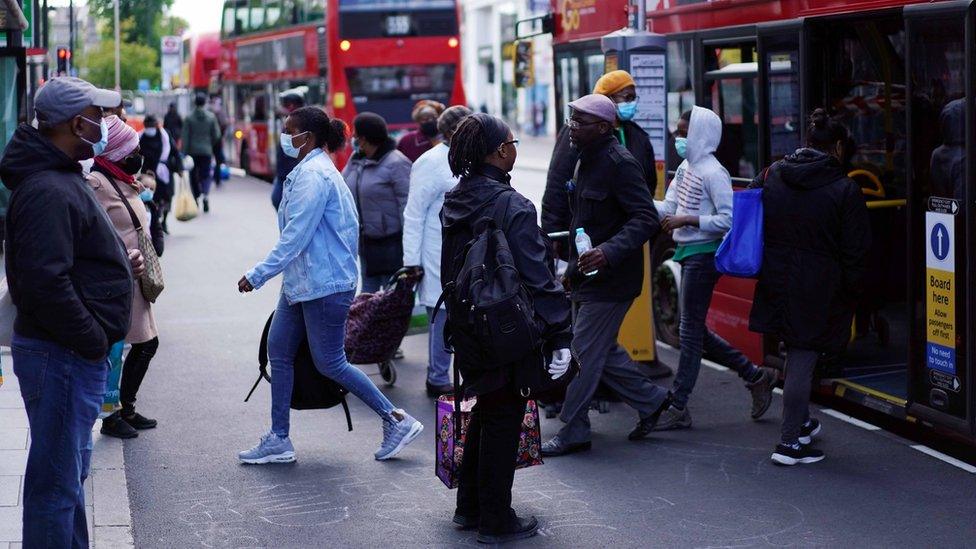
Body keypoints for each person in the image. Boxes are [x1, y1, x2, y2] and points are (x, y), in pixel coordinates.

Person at [0, 76, 143, 548]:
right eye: (98, 116)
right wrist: (92, 339)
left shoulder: (60, 178)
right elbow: (45, 283)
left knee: (66, 476)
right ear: (74, 123)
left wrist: (120, 265)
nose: (105, 124)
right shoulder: (48, 188)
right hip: (61, 354)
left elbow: (66, 260)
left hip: (67, 352)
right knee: (56, 484)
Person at [237, 106, 423, 464]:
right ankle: (279, 438)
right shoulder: (311, 170)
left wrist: (258, 274)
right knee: (279, 352)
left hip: (323, 284)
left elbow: (296, 237)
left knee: (330, 362)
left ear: (307, 138)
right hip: (304, 282)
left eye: (290, 130)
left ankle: (395, 419)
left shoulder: (314, 176)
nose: (285, 137)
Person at [440, 113, 572, 544]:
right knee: (503, 418)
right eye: (513, 142)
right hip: (508, 329)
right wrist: (560, 336)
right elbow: (538, 277)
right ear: (501, 152)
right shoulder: (512, 205)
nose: (515, 148)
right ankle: (496, 520)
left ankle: (469, 507)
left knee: (487, 408)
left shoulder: (455, 198)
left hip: (467, 326)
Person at [540, 94, 672, 457]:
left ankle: (573, 428)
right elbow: (580, 221)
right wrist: (570, 268)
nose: (572, 127)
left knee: (581, 352)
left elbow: (646, 219)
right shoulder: (584, 159)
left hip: (613, 278)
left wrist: (608, 251)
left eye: (579, 122)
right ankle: (654, 402)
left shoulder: (619, 163)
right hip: (587, 275)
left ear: (602, 127)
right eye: (570, 119)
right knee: (602, 350)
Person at [748, 109, 870, 465]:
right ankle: (789, 444)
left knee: (793, 350)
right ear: (837, 148)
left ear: (805, 142)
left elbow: (750, 208)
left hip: (775, 275)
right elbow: (855, 251)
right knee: (803, 356)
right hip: (817, 284)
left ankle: (800, 423)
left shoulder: (772, 174)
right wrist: (853, 291)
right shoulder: (845, 189)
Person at [652, 107, 777, 431]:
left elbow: (729, 220)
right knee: (693, 329)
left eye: (684, 132)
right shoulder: (686, 167)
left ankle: (678, 404)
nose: (679, 139)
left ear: (700, 135)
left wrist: (688, 219)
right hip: (688, 251)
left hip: (704, 255)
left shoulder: (713, 172)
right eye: (678, 132)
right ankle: (755, 375)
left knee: (690, 331)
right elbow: (669, 207)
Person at [88, 115, 162, 439]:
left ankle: (125, 407)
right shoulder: (96, 182)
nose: (137, 155)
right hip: (117, 280)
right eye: (131, 150)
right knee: (119, 349)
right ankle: (112, 414)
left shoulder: (122, 177)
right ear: (115, 151)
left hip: (134, 279)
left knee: (145, 343)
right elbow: (95, 231)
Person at [402, 105, 472, 397]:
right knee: (441, 315)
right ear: (453, 132)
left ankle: (465, 373)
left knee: (467, 315)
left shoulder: (472, 157)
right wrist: (412, 261)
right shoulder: (430, 162)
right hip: (436, 252)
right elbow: (414, 213)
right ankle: (437, 376)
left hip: (467, 251)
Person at [542, 70, 657, 241]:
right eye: (627, 98)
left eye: (634, 98)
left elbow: (648, 188)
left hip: (624, 238)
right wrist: (553, 232)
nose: (632, 103)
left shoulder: (637, 136)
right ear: (607, 99)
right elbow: (557, 183)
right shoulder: (577, 132)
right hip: (584, 238)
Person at [343, 112, 412, 293]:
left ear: (364, 138)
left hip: (391, 245)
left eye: (355, 133)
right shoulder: (356, 160)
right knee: (367, 297)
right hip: (366, 242)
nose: (353, 138)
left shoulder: (397, 163)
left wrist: (410, 245)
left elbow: (407, 204)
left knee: (392, 298)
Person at [182, 93, 221, 212]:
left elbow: (185, 137)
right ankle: (205, 195)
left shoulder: (189, 118)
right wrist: (209, 144)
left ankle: (196, 197)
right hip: (206, 151)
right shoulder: (211, 117)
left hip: (192, 152)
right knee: (206, 174)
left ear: (195, 102)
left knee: (193, 175)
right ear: (204, 102)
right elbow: (217, 135)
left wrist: (185, 152)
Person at [140, 114, 174, 234]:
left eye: (151, 126)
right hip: (147, 175)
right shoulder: (141, 137)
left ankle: (163, 220)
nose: (149, 129)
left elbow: (174, 151)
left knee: (166, 198)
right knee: (151, 200)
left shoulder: (165, 136)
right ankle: (153, 223)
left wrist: (178, 167)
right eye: (147, 126)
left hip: (163, 173)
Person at [271, 93, 306, 210]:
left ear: (291, 106)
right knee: (277, 200)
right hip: (283, 174)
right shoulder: (290, 122)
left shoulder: (302, 125)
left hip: (292, 175)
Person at [209, 96, 230, 189]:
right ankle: (215, 179)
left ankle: (214, 178)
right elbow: (224, 124)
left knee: (216, 161)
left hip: (212, 141)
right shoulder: (216, 114)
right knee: (216, 160)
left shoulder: (210, 113)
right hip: (215, 141)